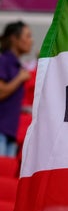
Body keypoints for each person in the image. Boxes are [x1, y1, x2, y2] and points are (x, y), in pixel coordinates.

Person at [0, 21, 33, 157]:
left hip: (11, 133)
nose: (31, 41)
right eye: (28, 36)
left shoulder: (17, 65)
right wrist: (19, 78)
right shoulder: (4, 61)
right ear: (14, 38)